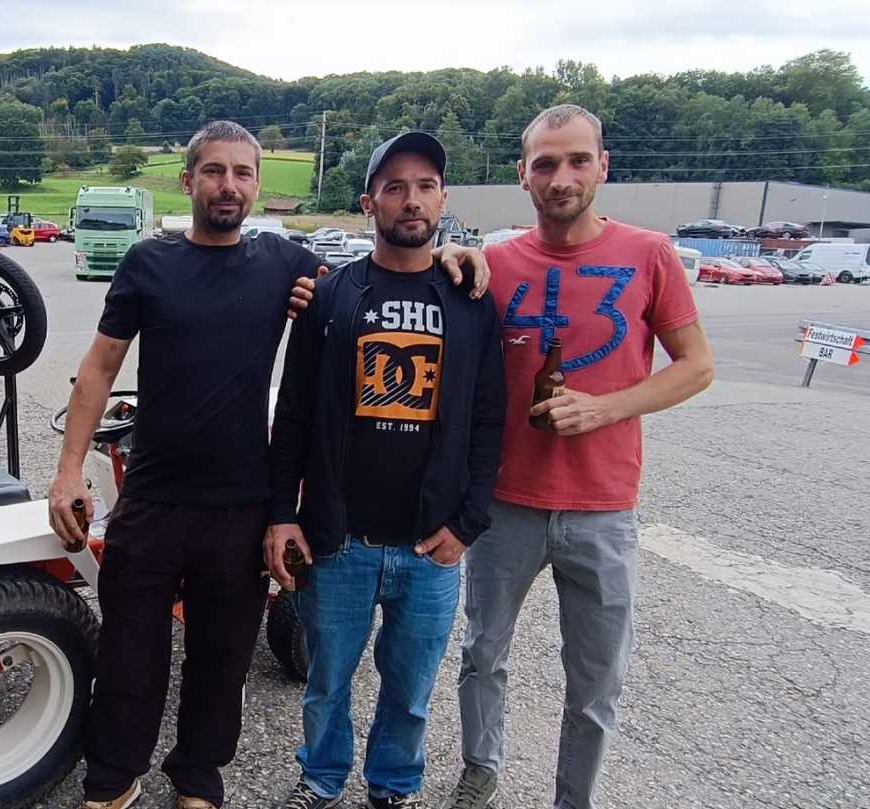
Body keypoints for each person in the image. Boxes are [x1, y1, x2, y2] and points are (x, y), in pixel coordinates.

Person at [49, 121, 490, 809]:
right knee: (130, 651)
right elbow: (101, 367)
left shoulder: (286, 263)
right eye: (214, 171)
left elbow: (386, 262)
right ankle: (112, 779)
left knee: (221, 659)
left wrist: (451, 252)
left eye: (243, 173)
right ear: (188, 180)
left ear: (256, 184)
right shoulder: (147, 262)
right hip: (152, 498)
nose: (228, 185)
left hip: (240, 504)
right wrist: (69, 469)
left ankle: (198, 779)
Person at [444, 104, 715, 809]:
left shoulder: (649, 254)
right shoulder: (498, 264)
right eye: (545, 163)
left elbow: (696, 366)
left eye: (577, 161)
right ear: (523, 174)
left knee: (596, 679)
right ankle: (480, 769)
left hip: (602, 507)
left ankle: (574, 799)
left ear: (603, 166)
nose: (561, 177)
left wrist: (607, 407)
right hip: (506, 502)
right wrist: (449, 255)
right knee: (482, 652)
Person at [264, 131, 506, 809]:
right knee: (327, 681)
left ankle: (393, 786)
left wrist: (468, 522)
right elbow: (294, 416)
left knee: (410, 689)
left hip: (430, 546)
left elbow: (489, 417)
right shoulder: (331, 297)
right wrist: (282, 514)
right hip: (340, 541)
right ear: (370, 202)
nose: (411, 199)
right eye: (394, 187)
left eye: (425, 186)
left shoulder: (469, 299)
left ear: (443, 200)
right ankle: (321, 779)